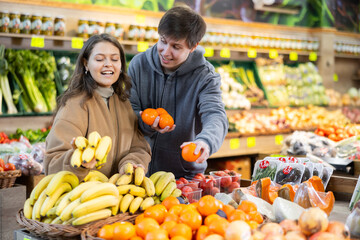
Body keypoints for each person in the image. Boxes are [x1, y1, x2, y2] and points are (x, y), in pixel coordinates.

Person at [129, 5, 228, 179]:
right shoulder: (138, 65)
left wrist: (205, 141)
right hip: (137, 169)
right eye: (162, 41)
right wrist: (145, 123)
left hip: (183, 176)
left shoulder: (205, 76)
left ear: (193, 47)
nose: (166, 52)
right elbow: (128, 109)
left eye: (176, 46)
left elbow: (215, 114)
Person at [45, 33, 151, 180]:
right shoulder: (75, 105)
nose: (108, 64)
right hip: (83, 197)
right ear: (85, 64)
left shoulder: (123, 102)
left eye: (114, 59)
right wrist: (79, 163)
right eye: (100, 59)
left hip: (119, 195)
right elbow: (52, 161)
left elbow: (139, 147)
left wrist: (131, 163)